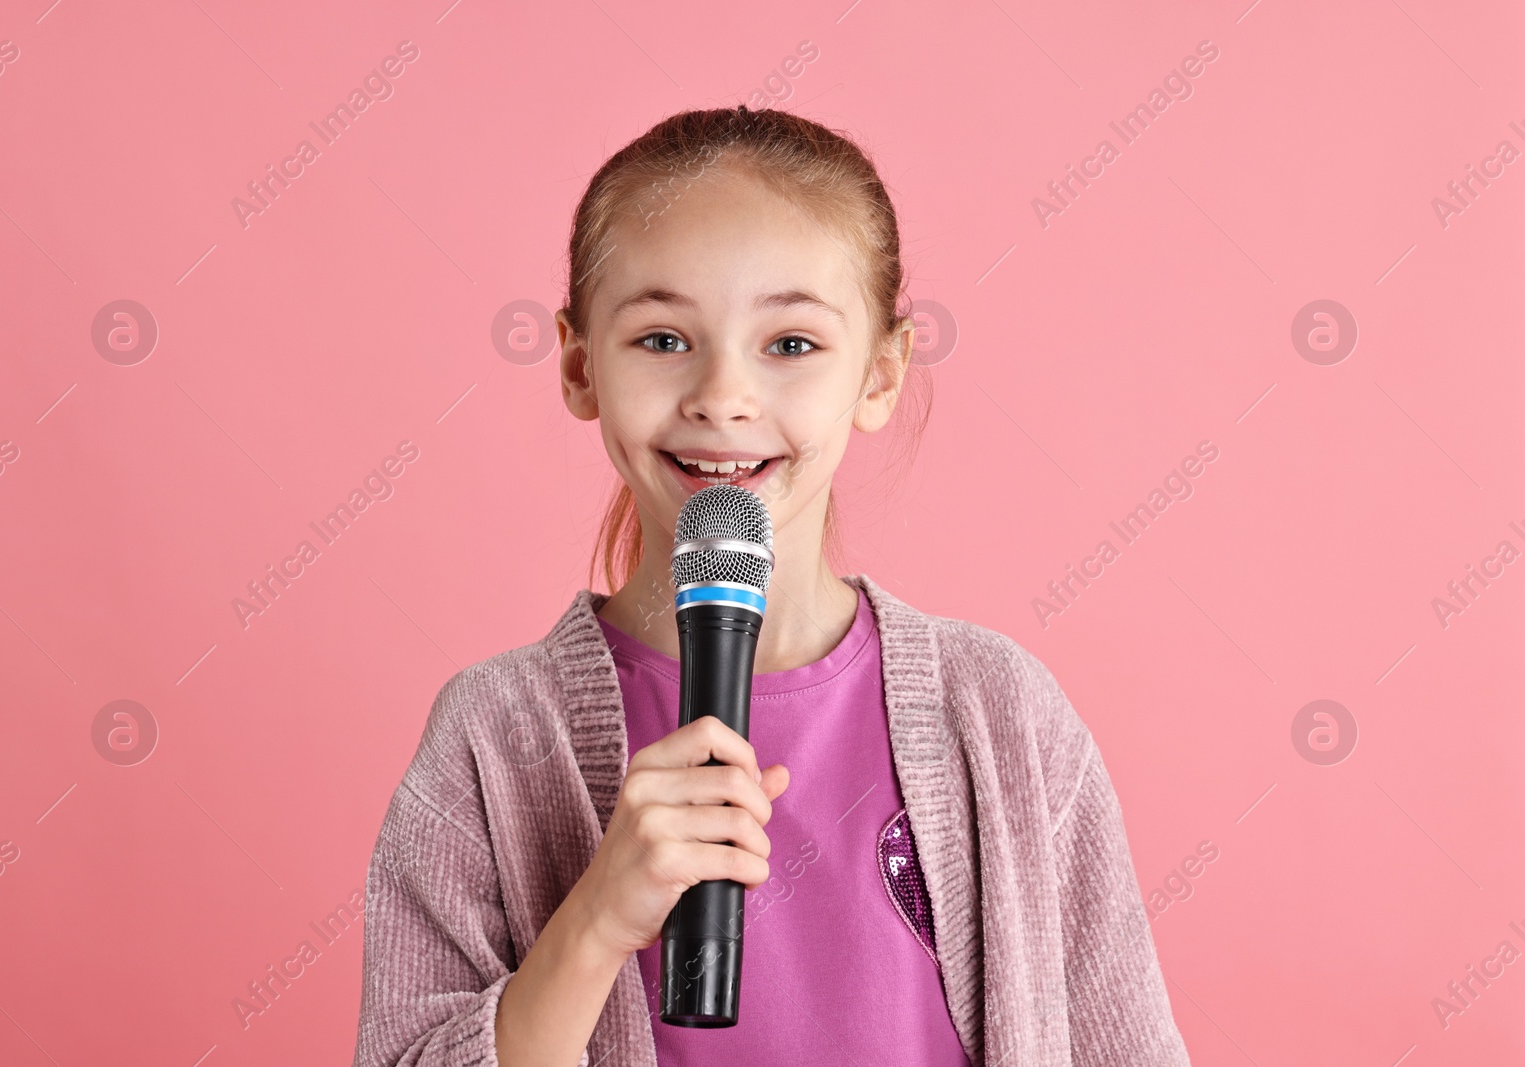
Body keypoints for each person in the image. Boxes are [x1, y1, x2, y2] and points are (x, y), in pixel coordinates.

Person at [351, 105, 1191, 1067]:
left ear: (879, 374)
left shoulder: (1002, 717)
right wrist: (593, 922)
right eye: (663, 339)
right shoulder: (491, 738)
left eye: (790, 344)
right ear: (582, 367)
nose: (723, 395)